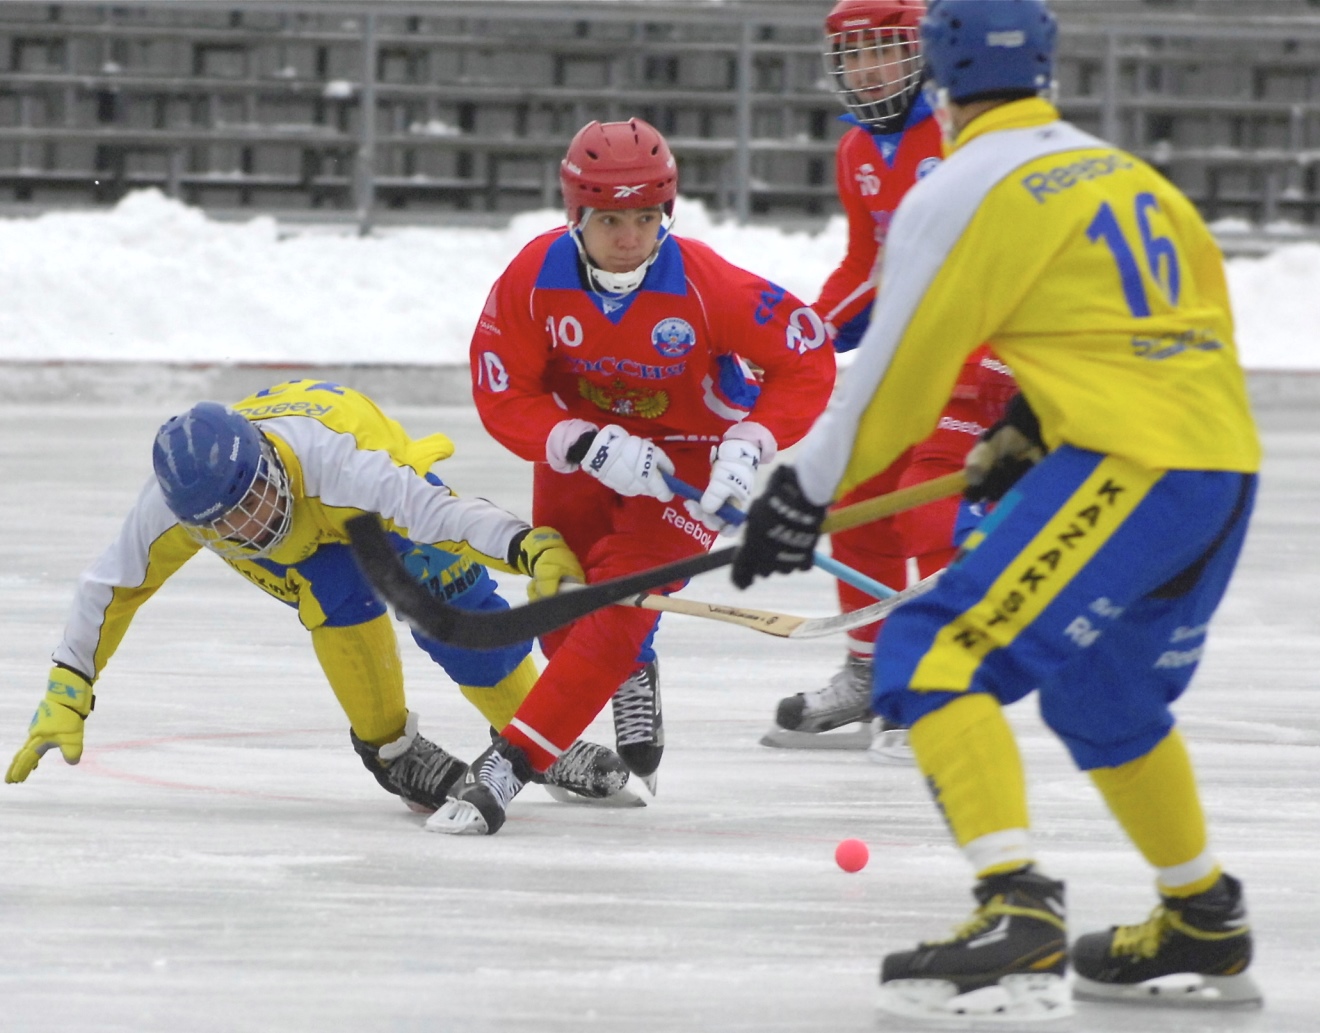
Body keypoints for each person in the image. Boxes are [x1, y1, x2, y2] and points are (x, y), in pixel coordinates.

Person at [732, 0, 1262, 1020]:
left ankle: (1014, 914)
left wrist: (803, 491)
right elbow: (1166, 321)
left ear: (938, 69)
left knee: (930, 648)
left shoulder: (963, 182)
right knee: (1101, 699)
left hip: (1133, 460)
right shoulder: (1127, 175)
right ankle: (1202, 914)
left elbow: (893, 376)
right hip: (1220, 462)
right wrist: (1029, 414)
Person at [444, 117, 836, 834]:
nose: (631, 237)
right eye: (611, 219)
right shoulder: (533, 279)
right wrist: (580, 440)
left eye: (647, 217)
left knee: (615, 605)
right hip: (588, 450)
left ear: (668, 212)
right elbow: (502, 390)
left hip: (691, 457)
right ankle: (634, 665)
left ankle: (505, 767)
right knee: (564, 612)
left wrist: (749, 442)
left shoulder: (707, 283)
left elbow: (805, 357)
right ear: (576, 216)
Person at [6, 379, 637, 813]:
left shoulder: (346, 467)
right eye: (221, 527)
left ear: (270, 466)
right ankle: (390, 750)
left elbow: (442, 514)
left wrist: (527, 545)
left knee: (453, 593)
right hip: (316, 525)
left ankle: (533, 732)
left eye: (252, 501)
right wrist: (68, 689)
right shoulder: (172, 509)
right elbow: (109, 588)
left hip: (357, 490)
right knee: (337, 594)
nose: (248, 530)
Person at [762, 0, 1017, 760]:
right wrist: (797, 334)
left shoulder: (964, 133)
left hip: (982, 353)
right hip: (910, 357)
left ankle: (942, 683)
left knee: (932, 516)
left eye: (885, 51)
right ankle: (873, 670)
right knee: (858, 501)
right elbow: (867, 268)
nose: (869, 70)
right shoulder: (856, 151)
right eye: (856, 55)